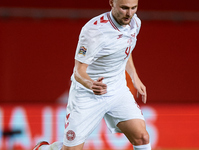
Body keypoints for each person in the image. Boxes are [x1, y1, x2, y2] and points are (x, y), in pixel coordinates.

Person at [33, 0, 151, 149]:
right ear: (111, 3)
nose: (129, 14)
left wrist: (134, 76)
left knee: (142, 137)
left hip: (117, 90)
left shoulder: (135, 23)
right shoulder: (94, 31)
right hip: (87, 94)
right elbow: (78, 71)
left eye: (134, 8)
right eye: (124, 8)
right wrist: (91, 84)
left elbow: (125, 48)